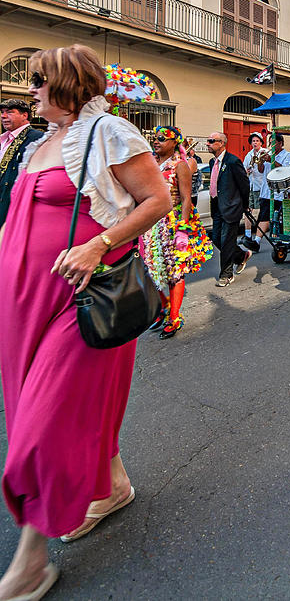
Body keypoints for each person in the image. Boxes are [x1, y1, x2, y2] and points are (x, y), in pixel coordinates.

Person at [0, 45, 171, 599]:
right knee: (38, 404)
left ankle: (30, 562)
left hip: (83, 297)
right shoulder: (37, 142)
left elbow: (157, 200)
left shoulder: (110, 133)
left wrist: (99, 243)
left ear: (66, 83)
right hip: (25, 297)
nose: (29, 91)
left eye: (37, 81)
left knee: (41, 423)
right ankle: (113, 485)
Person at [142, 126, 213, 337]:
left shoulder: (180, 165)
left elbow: (185, 198)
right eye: (155, 138)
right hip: (150, 223)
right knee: (148, 270)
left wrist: (182, 228)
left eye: (162, 139)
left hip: (171, 223)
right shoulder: (149, 163)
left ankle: (174, 317)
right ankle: (163, 306)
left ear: (174, 143)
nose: (157, 142)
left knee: (174, 272)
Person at [208, 131, 251, 286]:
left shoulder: (233, 161)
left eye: (212, 141)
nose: (208, 143)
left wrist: (245, 205)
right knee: (217, 239)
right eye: (208, 140)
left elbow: (244, 185)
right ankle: (241, 256)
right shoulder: (213, 162)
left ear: (221, 143)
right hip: (217, 206)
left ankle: (226, 274)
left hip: (231, 207)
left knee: (226, 240)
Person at [0, 98, 44, 228]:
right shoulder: (4, 139)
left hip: (13, 207)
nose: (3, 116)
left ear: (24, 115)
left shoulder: (36, 138)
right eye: (2, 112)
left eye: (9, 112)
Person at [253, 133, 290, 250]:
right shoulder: (269, 154)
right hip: (267, 191)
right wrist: (261, 161)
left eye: (273, 143)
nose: (270, 145)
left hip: (281, 193)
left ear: (280, 143)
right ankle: (256, 241)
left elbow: (284, 170)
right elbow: (261, 170)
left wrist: (271, 160)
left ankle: (284, 240)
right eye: (269, 143)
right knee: (264, 216)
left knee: (281, 218)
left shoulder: (288, 155)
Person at [242, 132, 268, 249]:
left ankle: (258, 237)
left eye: (257, 141)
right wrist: (246, 171)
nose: (255, 143)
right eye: (253, 141)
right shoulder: (248, 155)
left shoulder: (266, 152)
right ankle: (247, 236)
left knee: (261, 212)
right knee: (248, 210)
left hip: (261, 186)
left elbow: (265, 170)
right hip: (251, 186)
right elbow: (244, 169)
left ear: (261, 142)